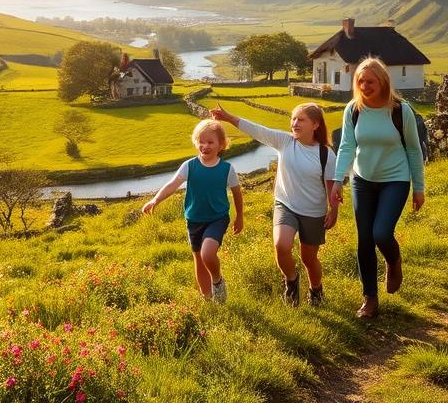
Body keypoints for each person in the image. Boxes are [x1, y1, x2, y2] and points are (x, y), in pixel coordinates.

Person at [211, 102, 338, 306]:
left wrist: (334, 210)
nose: (294, 123)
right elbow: (257, 130)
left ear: (315, 125)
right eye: (293, 119)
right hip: (285, 204)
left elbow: (331, 186)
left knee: (309, 259)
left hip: (314, 211)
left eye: (301, 119)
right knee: (281, 245)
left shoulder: (326, 154)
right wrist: (228, 118)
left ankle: (316, 290)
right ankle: (291, 281)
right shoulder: (285, 141)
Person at [331, 57, 425, 319]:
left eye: (370, 81)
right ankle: (369, 298)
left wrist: (419, 187)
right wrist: (338, 180)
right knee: (364, 239)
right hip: (362, 180)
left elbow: (414, 150)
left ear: (383, 81)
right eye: (360, 81)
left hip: (395, 180)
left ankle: (394, 262)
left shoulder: (400, 111)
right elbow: (347, 146)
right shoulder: (353, 109)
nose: (364, 86)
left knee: (381, 233)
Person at [142, 118, 244, 302]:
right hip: (194, 219)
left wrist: (240, 217)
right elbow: (172, 184)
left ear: (221, 144)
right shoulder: (190, 165)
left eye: (210, 142)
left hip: (217, 218)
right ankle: (207, 298)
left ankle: (217, 280)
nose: (205, 146)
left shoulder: (227, 169)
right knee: (198, 258)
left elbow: (237, 193)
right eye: (201, 141)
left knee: (207, 253)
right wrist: (155, 200)